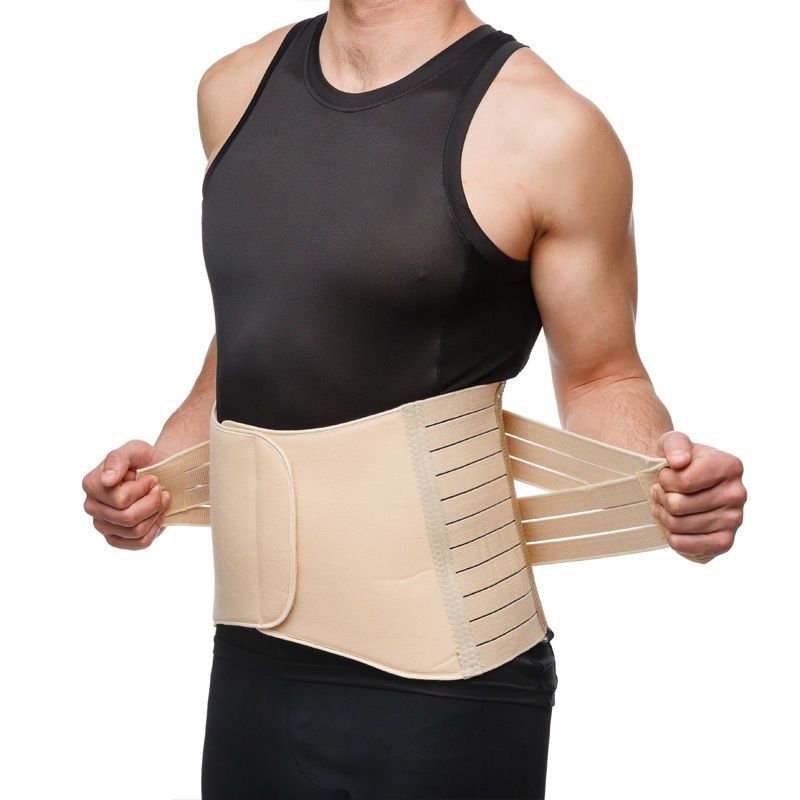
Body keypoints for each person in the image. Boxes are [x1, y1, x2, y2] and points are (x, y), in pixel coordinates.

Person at [81, 2, 747, 797]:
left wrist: (667, 484)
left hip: (449, 687)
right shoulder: (232, 89)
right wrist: (164, 469)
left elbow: (603, 375)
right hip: (251, 667)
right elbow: (265, 327)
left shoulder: (547, 130)